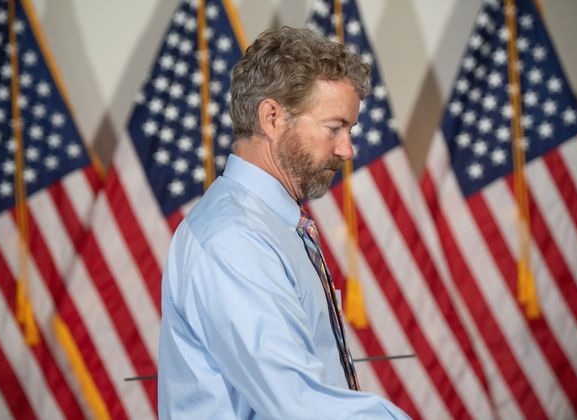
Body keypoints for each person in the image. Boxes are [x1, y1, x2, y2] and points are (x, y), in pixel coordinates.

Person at [158, 26, 408, 419]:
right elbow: (297, 402)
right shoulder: (235, 239)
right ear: (272, 117)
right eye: (334, 127)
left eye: (350, 129)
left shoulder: (268, 225)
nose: (347, 149)